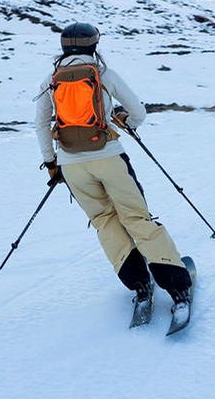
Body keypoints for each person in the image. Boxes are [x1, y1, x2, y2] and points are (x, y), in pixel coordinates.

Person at [34, 22, 192, 324]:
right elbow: (139, 113)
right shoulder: (103, 74)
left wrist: (51, 162)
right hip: (108, 157)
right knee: (136, 218)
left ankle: (139, 284)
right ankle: (177, 289)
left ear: (64, 47)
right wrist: (121, 118)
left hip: (71, 164)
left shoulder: (50, 80)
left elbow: (41, 124)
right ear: (94, 45)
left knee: (105, 221)